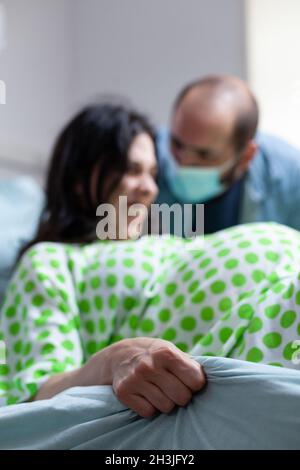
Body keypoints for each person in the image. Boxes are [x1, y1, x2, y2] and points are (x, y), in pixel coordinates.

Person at [0, 102, 300, 420]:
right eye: (132, 170)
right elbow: (34, 395)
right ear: (79, 179)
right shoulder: (49, 261)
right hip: (269, 324)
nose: (149, 188)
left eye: (153, 173)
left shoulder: (162, 243)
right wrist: (112, 360)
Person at [155, 75, 300, 236]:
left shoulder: (292, 181)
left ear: (246, 156)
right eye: (177, 144)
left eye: (204, 154)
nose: (185, 162)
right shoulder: (141, 160)